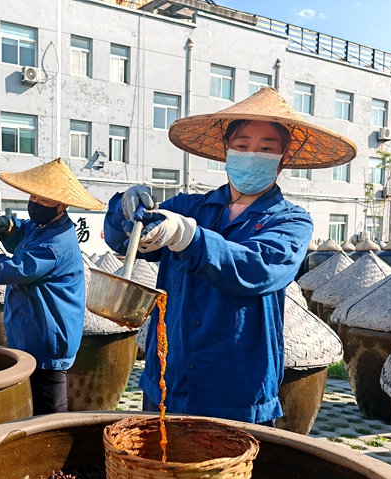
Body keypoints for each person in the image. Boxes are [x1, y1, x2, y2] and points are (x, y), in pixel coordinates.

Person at [104, 87, 356, 424]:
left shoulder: (291, 222)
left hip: (235, 394)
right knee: (157, 473)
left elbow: (258, 268)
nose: (252, 154)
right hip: (167, 382)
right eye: (242, 145)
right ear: (227, 151)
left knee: (227, 477)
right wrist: (123, 207)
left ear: (283, 158)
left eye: (267, 148)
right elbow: (123, 240)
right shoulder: (188, 207)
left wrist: (188, 237)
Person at [0, 158, 105, 415]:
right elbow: (25, 231)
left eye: (44, 200)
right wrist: (8, 228)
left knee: (49, 410)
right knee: (30, 404)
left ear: (62, 205)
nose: (35, 203)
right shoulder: (43, 227)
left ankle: (55, 447)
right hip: (31, 330)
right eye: (33, 197)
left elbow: (10, 269)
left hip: (48, 336)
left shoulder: (54, 244)